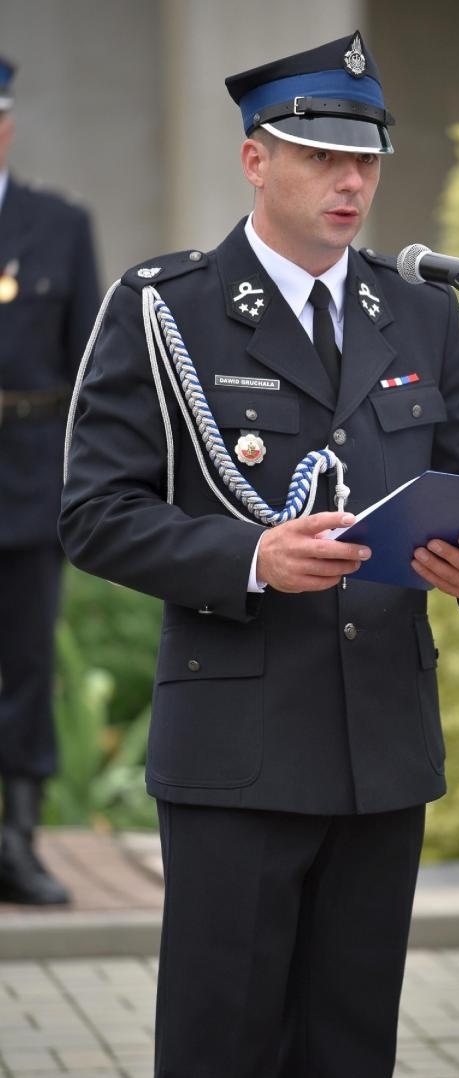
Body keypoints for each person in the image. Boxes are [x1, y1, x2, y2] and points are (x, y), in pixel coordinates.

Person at [60, 30, 459, 1078]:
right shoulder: (168, 309)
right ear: (256, 161)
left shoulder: (420, 317)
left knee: (348, 1053)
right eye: (321, 156)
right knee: (222, 1054)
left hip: (383, 744)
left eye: (365, 159)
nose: (352, 183)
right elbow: (95, 513)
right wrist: (249, 557)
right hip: (241, 747)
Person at [0, 57, 100, 905]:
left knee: (28, 665)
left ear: (7, 125)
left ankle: (16, 841)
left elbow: (90, 373)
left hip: (27, 478)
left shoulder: (57, 226)